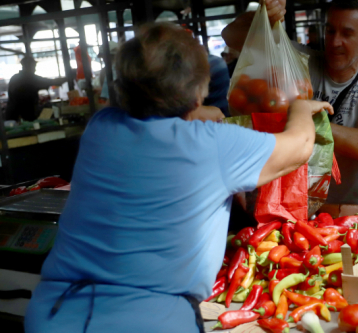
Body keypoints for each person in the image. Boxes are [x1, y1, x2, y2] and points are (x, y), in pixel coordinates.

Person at [24, 23, 333, 333]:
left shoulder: (100, 128)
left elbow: (148, 117)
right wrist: (301, 109)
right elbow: (300, 146)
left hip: (54, 312)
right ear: (198, 92)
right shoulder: (211, 144)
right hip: (147, 322)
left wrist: (200, 114)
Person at [222, 0, 358, 204]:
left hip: (340, 211)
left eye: (347, 34)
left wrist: (299, 116)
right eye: (330, 31)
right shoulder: (300, 61)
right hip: (283, 205)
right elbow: (231, 37)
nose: (334, 42)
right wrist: (264, 15)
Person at [7, 56, 68, 121]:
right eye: (34, 67)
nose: (35, 69)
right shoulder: (29, 78)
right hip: (25, 115)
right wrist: (67, 78)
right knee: (50, 107)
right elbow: (50, 82)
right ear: (29, 66)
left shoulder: (14, 78)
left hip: (12, 115)